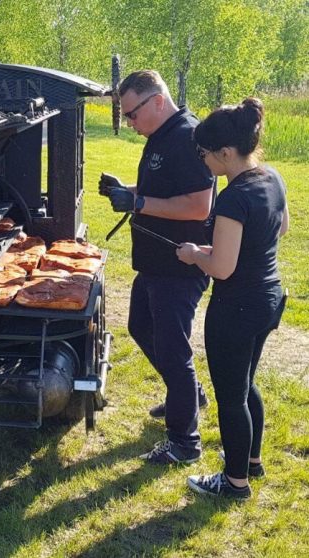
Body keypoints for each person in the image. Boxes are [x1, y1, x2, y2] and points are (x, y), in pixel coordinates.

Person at [99, 70, 214, 464]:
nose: (130, 123)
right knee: (140, 326)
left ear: (158, 101)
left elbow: (201, 205)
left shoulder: (187, 137)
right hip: (156, 261)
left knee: (172, 348)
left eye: (132, 114)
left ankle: (184, 442)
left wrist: (140, 204)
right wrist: (126, 191)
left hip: (180, 265)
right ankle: (189, 395)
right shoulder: (161, 135)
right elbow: (163, 189)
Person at [177, 97, 288, 499]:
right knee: (246, 383)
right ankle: (251, 463)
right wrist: (224, 251)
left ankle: (235, 482)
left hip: (237, 308)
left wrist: (194, 255)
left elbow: (222, 268)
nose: (203, 161)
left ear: (225, 153)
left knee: (229, 396)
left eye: (204, 154)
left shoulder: (232, 198)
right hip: (270, 297)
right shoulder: (272, 178)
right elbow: (281, 229)